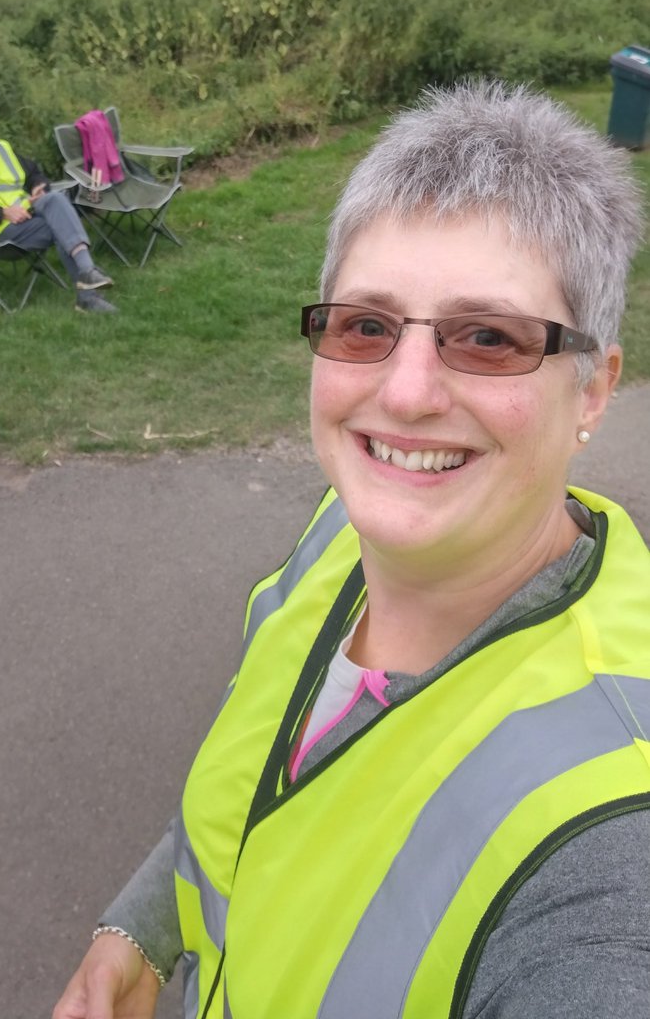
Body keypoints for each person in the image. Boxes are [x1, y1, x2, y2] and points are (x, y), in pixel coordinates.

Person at [52, 81, 650, 1019]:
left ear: (592, 391)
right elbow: (269, 775)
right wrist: (139, 932)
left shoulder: (611, 838)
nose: (406, 394)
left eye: (487, 337)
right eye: (366, 325)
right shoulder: (341, 529)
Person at [0, 101, 118, 315]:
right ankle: (88, 294)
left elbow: (33, 172)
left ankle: (87, 273)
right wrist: (2, 213)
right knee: (61, 225)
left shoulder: (0, 148)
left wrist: (40, 186)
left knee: (55, 199)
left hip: (27, 213)